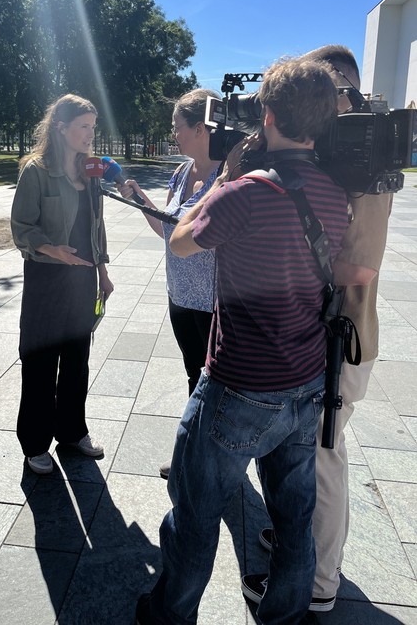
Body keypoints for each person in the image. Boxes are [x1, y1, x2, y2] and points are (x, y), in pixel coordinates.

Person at [135, 57, 350, 625]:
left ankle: (168, 614)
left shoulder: (244, 193)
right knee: (295, 518)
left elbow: (181, 242)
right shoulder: (333, 193)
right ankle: (285, 616)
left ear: (268, 114)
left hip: (238, 384)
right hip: (306, 381)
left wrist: (227, 177)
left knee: (195, 515)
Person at [255, 45, 393, 612]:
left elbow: (358, 265)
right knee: (298, 452)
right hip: (314, 333)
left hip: (342, 335)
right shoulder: (329, 158)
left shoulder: (369, 160)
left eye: (327, 92)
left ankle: (318, 583)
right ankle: (297, 540)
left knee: (322, 456)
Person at [118, 89, 221, 479]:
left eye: (177, 128)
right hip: (180, 294)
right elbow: (168, 230)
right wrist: (139, 197)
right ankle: (198, 454)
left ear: (200, 128)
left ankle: (203, 458)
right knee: (194, 376)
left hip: (215, 301)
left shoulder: (229, 174)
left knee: (214, 384)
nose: (173, 134)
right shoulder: (181, 172)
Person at [10, 94, 114, 476]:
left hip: (83, 279)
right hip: (47, 278)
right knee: (39, 363)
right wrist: (53, 249)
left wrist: (102, 270)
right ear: (61, 128)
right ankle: (35, 444)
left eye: (93, 126)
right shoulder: (36, 170)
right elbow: (22, 227)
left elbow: (95, 227)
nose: (90, 134)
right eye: (83, 126)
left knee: (77, 362)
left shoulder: (90, 171)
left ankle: (72, 432)